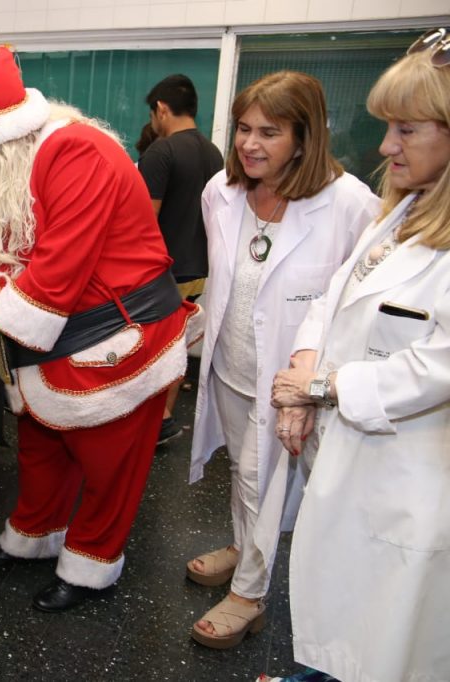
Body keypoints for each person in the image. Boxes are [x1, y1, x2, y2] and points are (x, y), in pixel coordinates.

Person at [0, 47, 195, 612]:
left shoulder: (78, 152)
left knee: (108, 464)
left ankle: (92, 563)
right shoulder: (5, 169)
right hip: (49, 342)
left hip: (118, 337)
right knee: (42, 448)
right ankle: (34, 536)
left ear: (0, 139)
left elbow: (62, 260)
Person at [266, 30, 450, 682]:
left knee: (392, 633)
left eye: (406, 130)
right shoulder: (401, 212)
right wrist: (306, 368)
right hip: (351, 453)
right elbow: (335, 297)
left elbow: (436, 367)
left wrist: (321, 387)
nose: (385, 146)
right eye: (387, 128)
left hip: (411, 477)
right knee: (345, 604)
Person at [187, 71, 379, 649]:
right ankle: (244, 547)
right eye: (243, 128)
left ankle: (249, 595)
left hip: (291, 379)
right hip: (231, 365)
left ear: (304, 137)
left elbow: (363, 298)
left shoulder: (349, 204)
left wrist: (323, 379)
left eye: (269, 132)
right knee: (241, 474)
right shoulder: (221, 192)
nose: (249, 144)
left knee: (261, 482)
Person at [139, 74, 225, 444]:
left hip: (162, 273)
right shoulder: (213, 153)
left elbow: (143, 222)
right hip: (197, 269)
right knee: (174, 345)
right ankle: (164, 419)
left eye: (152, 113)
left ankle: (149, 424)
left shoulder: (162, 151)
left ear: (161, 109)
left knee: (150, 350)